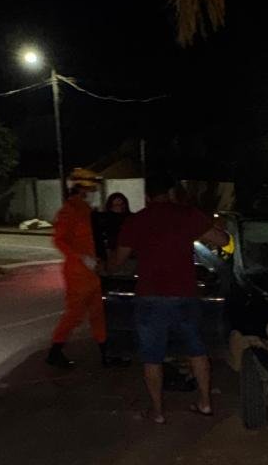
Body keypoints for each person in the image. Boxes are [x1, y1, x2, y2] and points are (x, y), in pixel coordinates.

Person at [111, 174, 230, 424]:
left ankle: (158, 412)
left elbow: (118, 261)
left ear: (146, 196)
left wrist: (102, 264)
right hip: (185, 295)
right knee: (197, 351)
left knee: (152, 357)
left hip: (150, 297)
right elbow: (223, 240)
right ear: (171, 193)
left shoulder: (137, 220)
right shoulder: (187, 214)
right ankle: (205, 403)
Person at [47, 168, 128, 369]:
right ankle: (55, 352)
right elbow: (59, 240)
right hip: (78, 272)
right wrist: (82, 258)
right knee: (75, 314)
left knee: (98, 313)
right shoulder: (69, 210)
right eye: (91, 189)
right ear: (81, 189)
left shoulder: (86, 210)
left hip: (91, 271)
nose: (93, 193)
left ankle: (106, 354)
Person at [94, 192, 131, 263]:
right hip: (110, 252)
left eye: (121, 204)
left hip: (127, 252)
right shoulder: (103, 219)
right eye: (116, 205)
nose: (118, 207)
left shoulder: (130, 219)